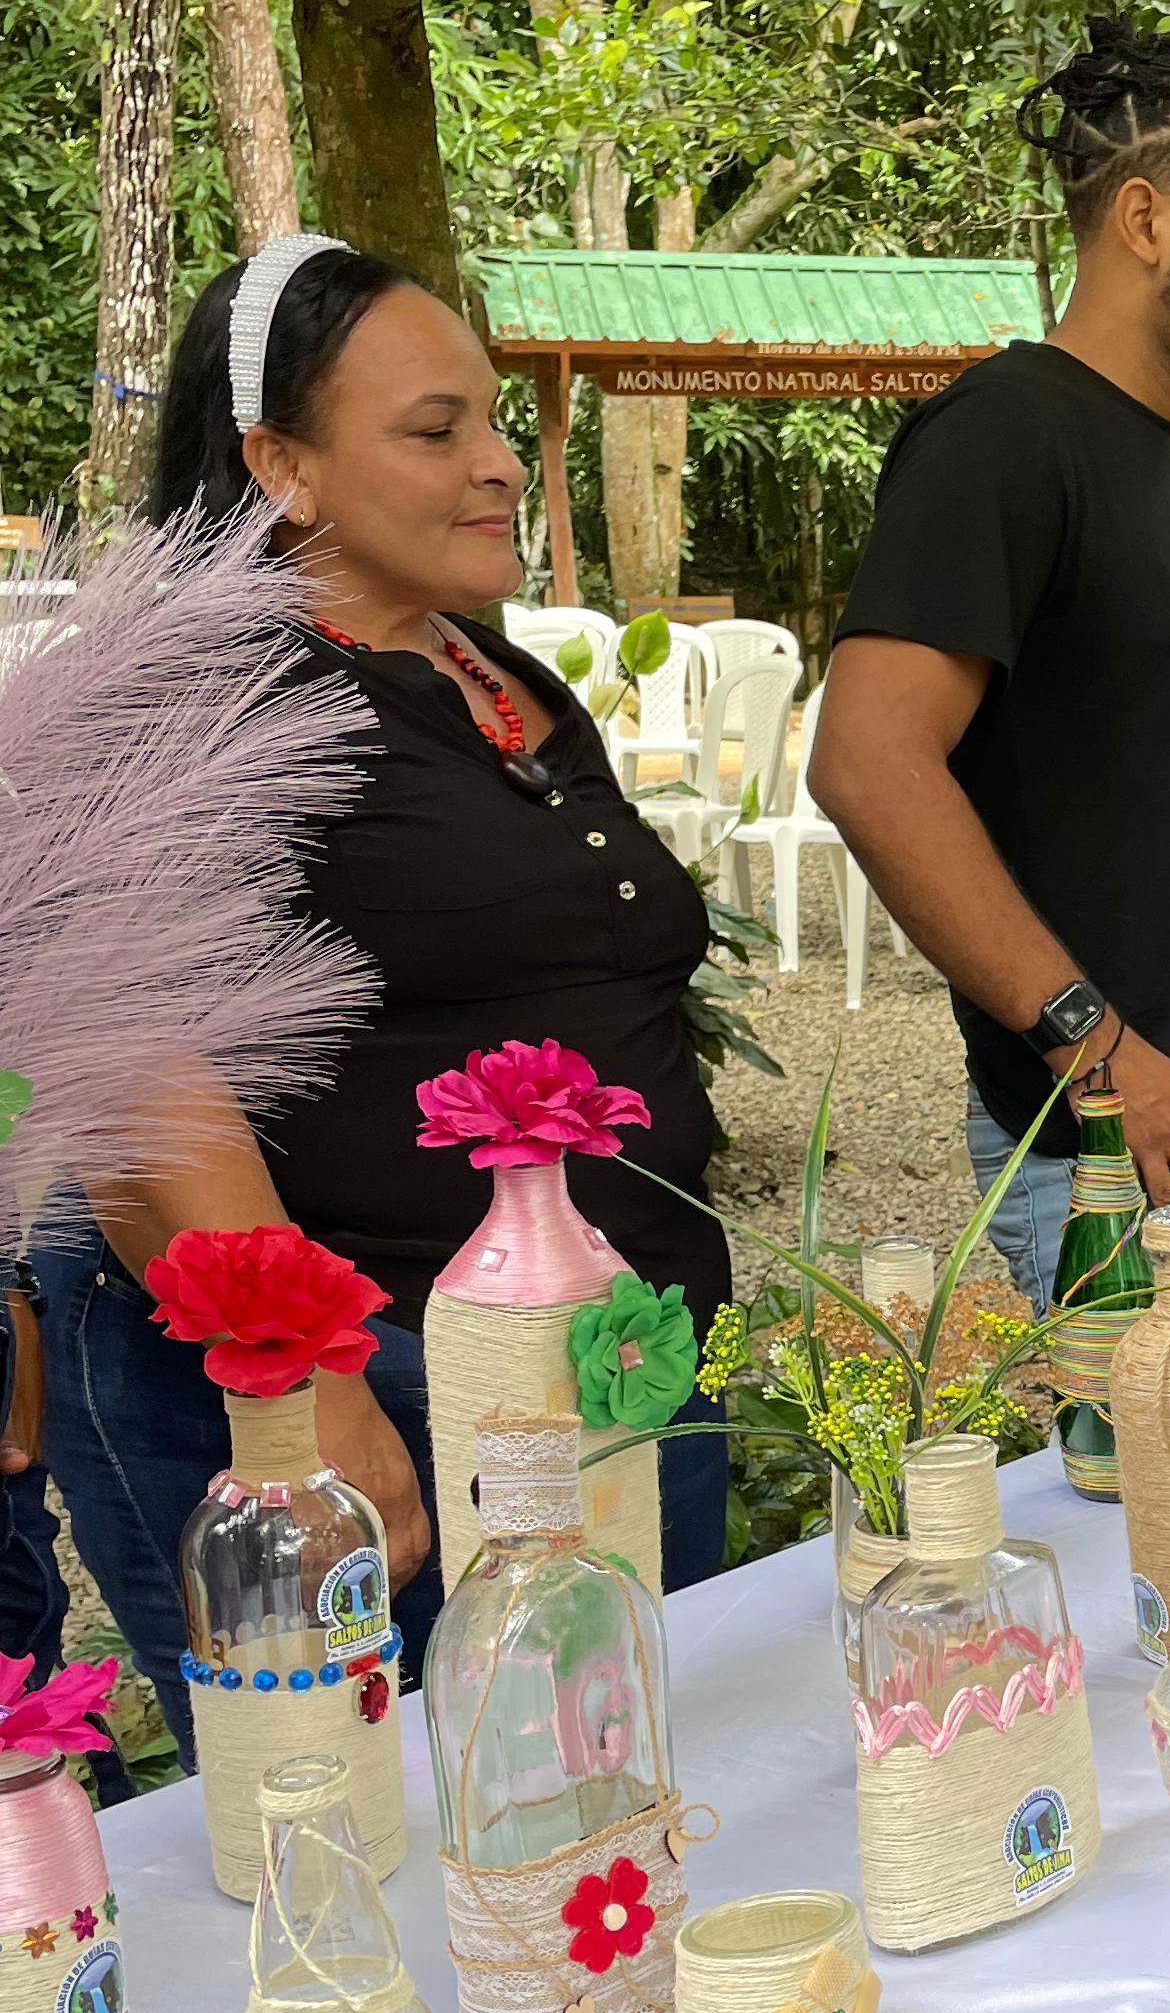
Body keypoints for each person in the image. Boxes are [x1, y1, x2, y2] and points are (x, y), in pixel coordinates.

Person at [33, 235, 732, 1759]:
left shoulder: (487, 673)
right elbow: (141, 1085)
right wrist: (314, 1391)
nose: (497, 466)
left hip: (598, 1373)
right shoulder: (193, 694)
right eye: (437, 431)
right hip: (380, 1393)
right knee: (386, 1842)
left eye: (493, 421)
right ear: (280, 462)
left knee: (605, 1817)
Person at [811, 20, 1170, 1317]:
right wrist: (1097, 1047)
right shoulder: (1001, 442)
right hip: (1144, 1168)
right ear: (1145, 218)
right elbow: (867, 762)